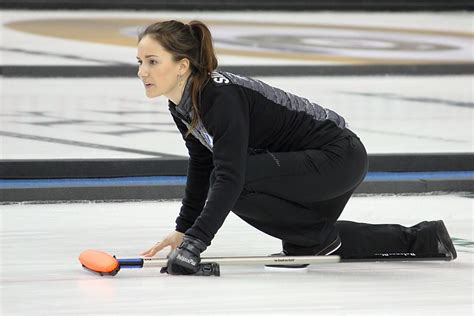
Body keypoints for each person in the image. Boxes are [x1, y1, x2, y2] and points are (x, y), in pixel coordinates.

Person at [137, 20, 457, 275]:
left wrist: (195, 242)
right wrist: (183, 231)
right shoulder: (182, 103)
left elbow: (229, 177)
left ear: (182, 65)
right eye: (140, 62)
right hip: (314, 164)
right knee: (312, 239)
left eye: (153, 61)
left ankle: (316, 241)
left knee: (236, 180)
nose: (142, 72)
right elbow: (201, 163)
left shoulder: (218, 97)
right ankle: (425, 239)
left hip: (337, 157)